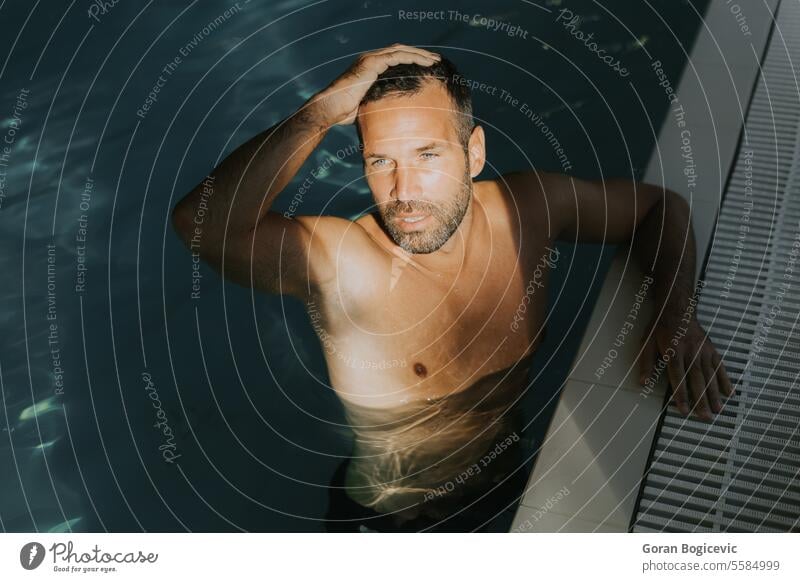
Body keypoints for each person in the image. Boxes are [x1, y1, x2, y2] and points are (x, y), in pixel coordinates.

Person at [171, 43, 734, 531]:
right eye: (380, 161)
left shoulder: (529, 210)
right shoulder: (345, 264)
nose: (402, 190)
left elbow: (659, 208)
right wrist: (318, 115)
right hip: (395, 521)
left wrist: (673, 317)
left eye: (427, 155)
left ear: (475, 153)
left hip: (508, 473)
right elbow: (200, 224)